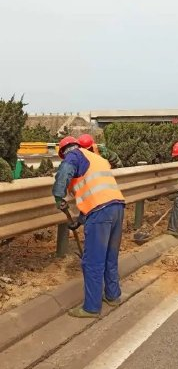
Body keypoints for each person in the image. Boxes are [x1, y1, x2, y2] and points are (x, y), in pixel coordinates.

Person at [53, 136, 125, 318]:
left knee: (92, 262)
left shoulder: (73, 156)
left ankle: (91, 308)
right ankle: (113, 296)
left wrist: (58, 196)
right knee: (110, 256)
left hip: (101, 212)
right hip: (117, 208)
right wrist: (80, 219)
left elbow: (64, 174)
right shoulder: (97, 158)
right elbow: (95, 190)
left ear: (64, 151)